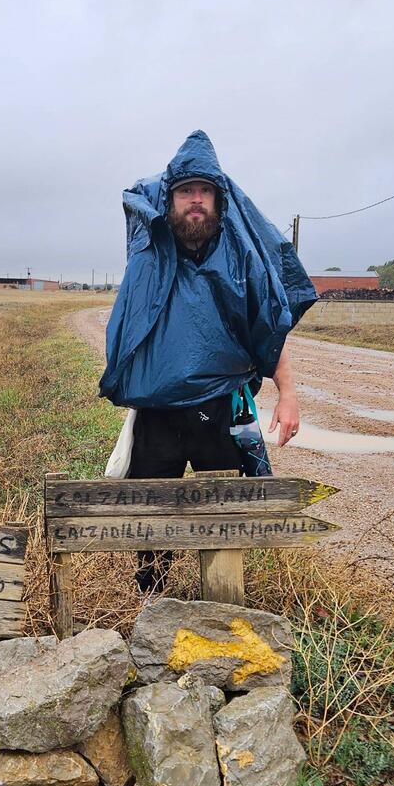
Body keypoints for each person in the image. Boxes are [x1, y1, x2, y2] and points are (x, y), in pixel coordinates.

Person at [99, 130, 317, 592]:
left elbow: (269, 326)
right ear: (170, 197)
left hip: (223, 405)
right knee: (151, 515)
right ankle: (151, 599)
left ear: (220, 199)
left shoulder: (242, 260)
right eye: (185, 191)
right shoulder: (149, 252)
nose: (195, 201)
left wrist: (288, 394)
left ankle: (221, 597)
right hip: (159, 410)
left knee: (225, 509)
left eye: (205, 191)